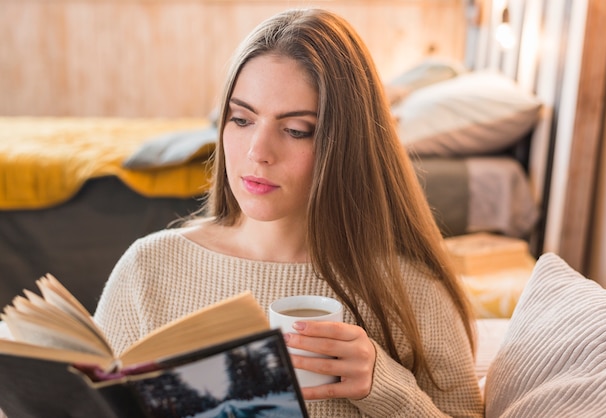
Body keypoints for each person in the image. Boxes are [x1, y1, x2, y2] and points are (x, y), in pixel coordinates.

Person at [94, 8, 484, 417]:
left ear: (347, 143)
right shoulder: (148, 268)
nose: (257, 152)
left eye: (297, 130)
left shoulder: (411, 290)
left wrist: (383, 387)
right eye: (241, 119)